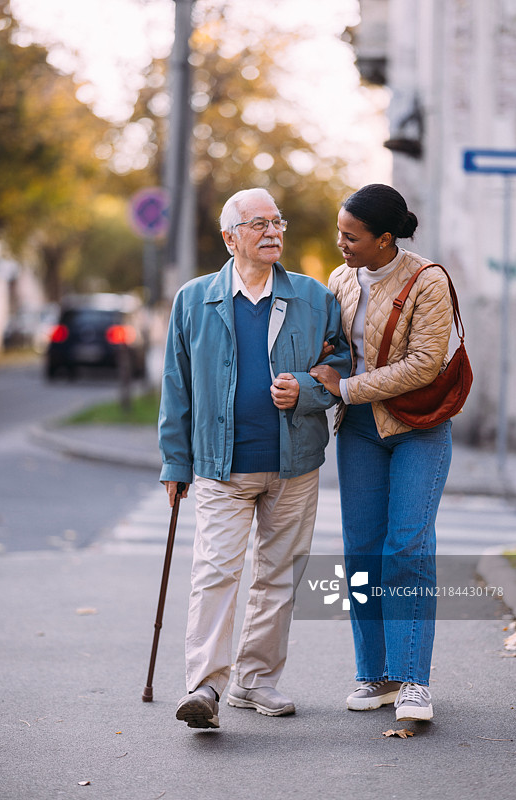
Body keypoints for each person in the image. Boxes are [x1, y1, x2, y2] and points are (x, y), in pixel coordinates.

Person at [159, 187, 351, 729]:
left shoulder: (313, 298)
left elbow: (340, 362)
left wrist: (308, 391)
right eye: (258, 223)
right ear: (230, 237)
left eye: (277, 222)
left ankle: (255, 682)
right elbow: (177, 386)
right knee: (215, 571)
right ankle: (204, 687)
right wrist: (175, 463)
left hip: (294, 462)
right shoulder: (194, 299)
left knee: (281, 575)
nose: (272, 232)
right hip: (222, 464)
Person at [310, 184, 453, 722]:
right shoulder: (340, 278)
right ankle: (375, 674)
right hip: (361, 430)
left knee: (407, 549)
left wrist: (345, 388)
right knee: (363, 552)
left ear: (385, 239)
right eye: (339, 233)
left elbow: (423, 364)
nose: (340, 243)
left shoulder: (427, 280)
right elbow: (340, 349)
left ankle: (414, 681)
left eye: (351, 236)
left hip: (418, 426)